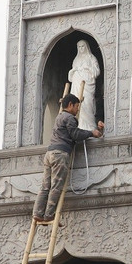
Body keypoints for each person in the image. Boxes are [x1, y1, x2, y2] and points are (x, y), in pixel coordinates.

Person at [33, 94, 104, 222]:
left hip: (49, 154)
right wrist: (91, 133)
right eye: (76, 106)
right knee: (56, 186)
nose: (77, 110)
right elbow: (75, 134)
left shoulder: (59, 117)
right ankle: (49, 214)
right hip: (60, 154)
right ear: (70, 105)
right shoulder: (70, 118)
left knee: (45, 186)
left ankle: (37, 213)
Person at [68, 40, 101, 131]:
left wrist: (88, 68)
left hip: (87, 84)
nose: (81, 48)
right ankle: (79, 126)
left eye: (83, 46)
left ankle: (90, 127)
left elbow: (97, 71)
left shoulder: (91, 58)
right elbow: (70, 78)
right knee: (77, 104)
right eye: (79, 47)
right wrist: (73, 71)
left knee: (87, 103)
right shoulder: (76, 59)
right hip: (76, 84)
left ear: (86, 47)